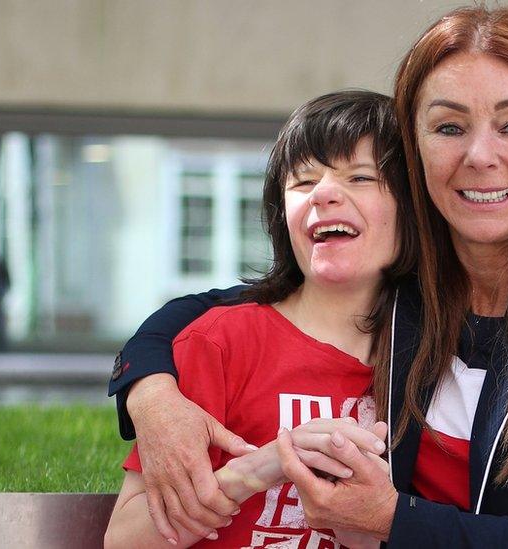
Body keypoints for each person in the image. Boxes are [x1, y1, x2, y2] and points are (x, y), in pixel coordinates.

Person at [110, 6, 508, 548]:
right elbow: (233, 311)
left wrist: (393, 520)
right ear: (414, 152)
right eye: (448, 128)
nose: (480, 156)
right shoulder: (405, 285)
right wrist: (152, 392)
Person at [104, 90, 417, 548]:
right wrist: (260, 467)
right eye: (304, 182)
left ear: (412, 210)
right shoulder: (220, 342)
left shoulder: (438, 356)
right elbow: (124, 541)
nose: (326, 193)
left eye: (361, 177)